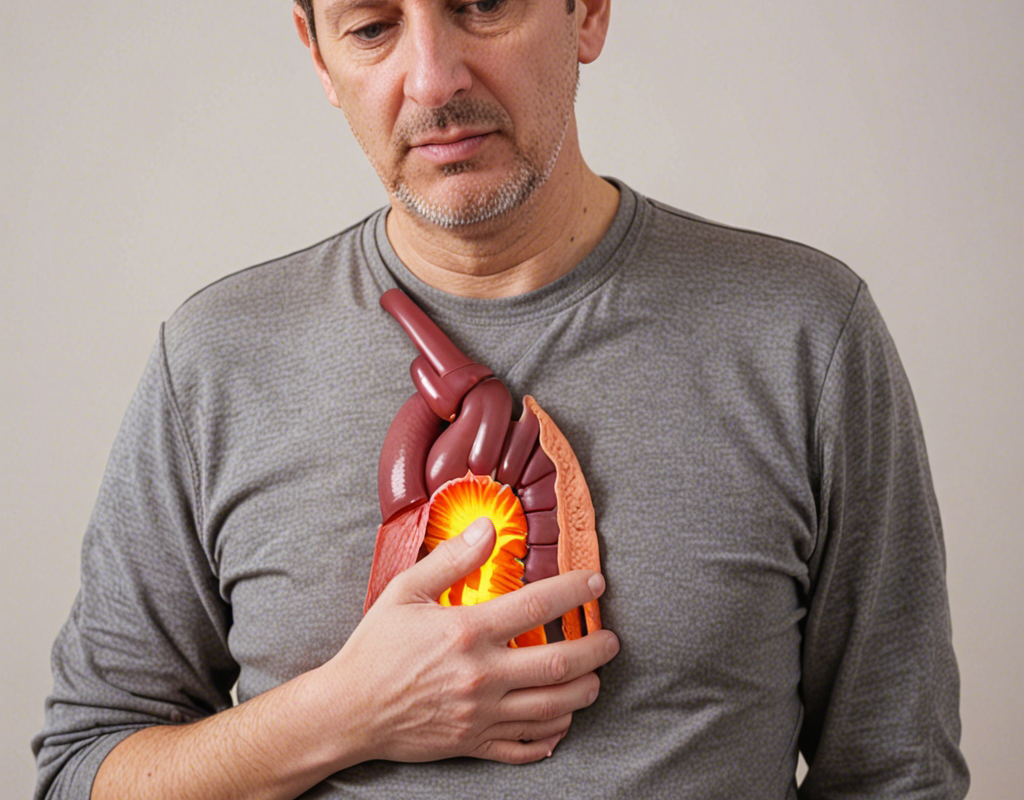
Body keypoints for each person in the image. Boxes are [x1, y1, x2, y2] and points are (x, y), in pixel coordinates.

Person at [34, 1, 969, 798]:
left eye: (481, 3)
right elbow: (81, 769)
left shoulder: (806, 335)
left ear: (589, 10)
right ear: (319, 55)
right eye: (371, 27)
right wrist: (344, 712)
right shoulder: (214, 361)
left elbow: (898, 772)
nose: (433, 79)